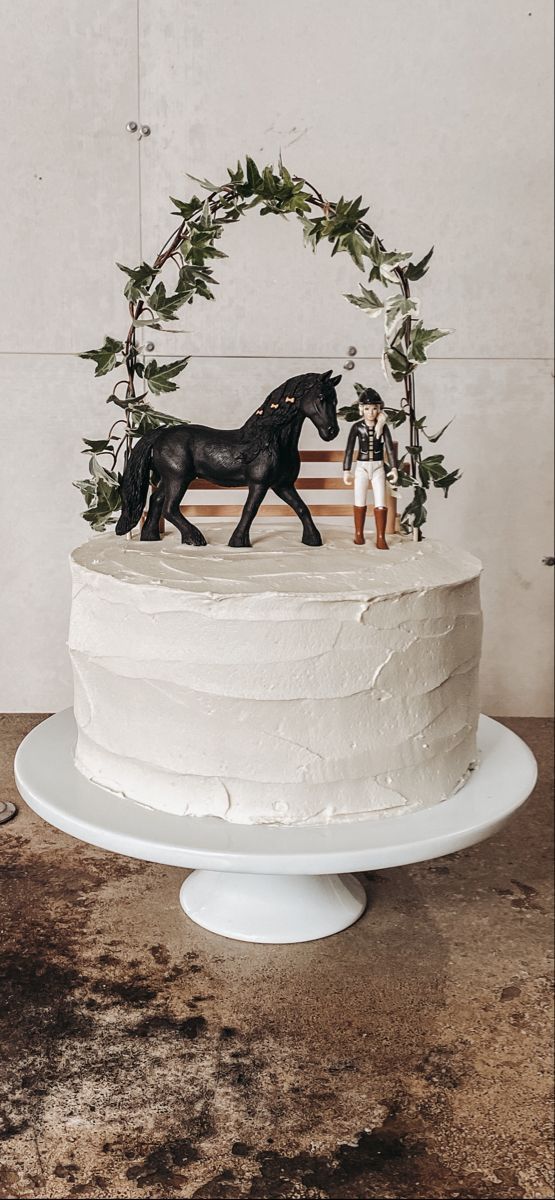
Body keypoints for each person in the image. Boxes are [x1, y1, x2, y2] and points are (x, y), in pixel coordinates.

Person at [343, 388, 399, 548]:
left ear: (379, 409)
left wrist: (394, 468)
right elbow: (349, 449)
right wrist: (346, 470)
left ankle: (380, 537)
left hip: (378, 467)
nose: (371, 412)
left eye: (374, 408)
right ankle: (358, 534)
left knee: (380, 501)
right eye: (367, 408)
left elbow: (389, 448)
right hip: (361, 467)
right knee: (359, 500)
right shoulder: (356, 427)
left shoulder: (383, 428)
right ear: (361, 409)